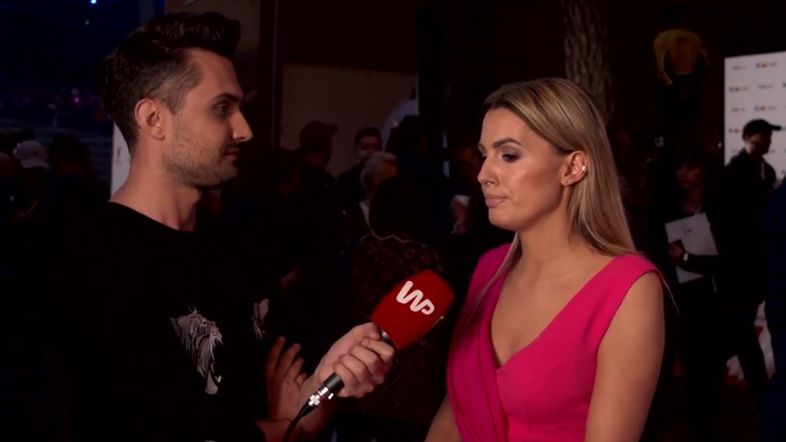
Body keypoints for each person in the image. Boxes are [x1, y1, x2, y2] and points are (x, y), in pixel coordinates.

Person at [49, 13, 393, 442]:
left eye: (239, 107)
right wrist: (286, 428)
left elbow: (294, 414)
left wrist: (327, 380)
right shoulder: (92, 265)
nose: (244, 129)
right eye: (221, 108)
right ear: (153, 119)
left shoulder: (240, 250)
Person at [426, 78, 665, 441]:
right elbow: (454, 417)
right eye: (484, 155)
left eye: (508, 155)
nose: (484, 174)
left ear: (573, 167)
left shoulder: (629, 288)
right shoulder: (490, 269)